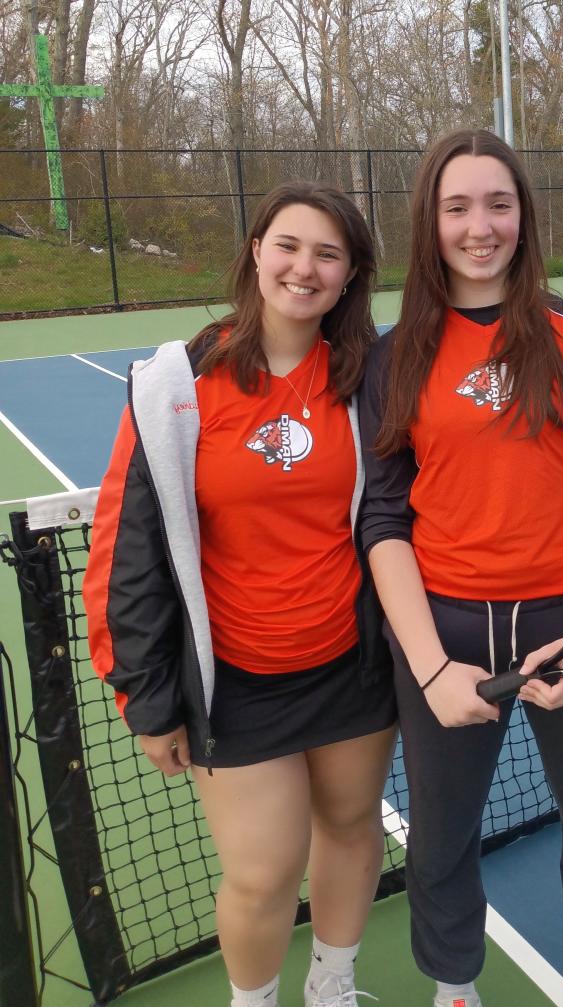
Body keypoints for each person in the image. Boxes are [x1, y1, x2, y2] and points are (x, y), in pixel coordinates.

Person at [83, 181, 397, 1007]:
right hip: (235, 684)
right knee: (262, 871)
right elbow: (126, 550)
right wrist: (148, 699)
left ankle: (332, 984)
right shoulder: (176, 386)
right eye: (289, 245)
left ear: (351, 273)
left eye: (329, 253)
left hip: (352, 669)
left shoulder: (370, 379)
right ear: (256, 251)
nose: (305, 268)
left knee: (352, 831)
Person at [357, 128, 563, 1007]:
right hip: (446, 626)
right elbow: (384, 514)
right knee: (442, 836)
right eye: (457, 207)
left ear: (523, 214)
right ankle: (454, 985)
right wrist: (432, 664)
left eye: (498, 203)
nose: (480, 226)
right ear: (429, 222)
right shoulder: (393, 350)